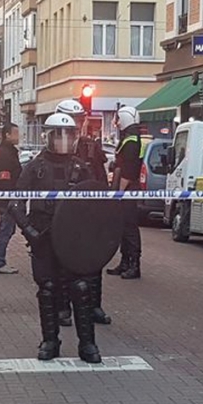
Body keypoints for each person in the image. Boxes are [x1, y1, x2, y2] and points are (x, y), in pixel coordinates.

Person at [8, 111, 102, 364]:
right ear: (47, 137)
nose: (62, 140)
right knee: (47, 290)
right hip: (43, 236)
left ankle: (88, 344)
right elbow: (16, 201)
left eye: (67, 134)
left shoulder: (81, 168)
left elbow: (94, 203)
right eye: (57, 135)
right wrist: (28, 230)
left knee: (80, 288)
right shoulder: (35, 168)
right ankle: (50, 340)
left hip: (72, 238)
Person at [72, 101, 112, 325]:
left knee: (95, 263)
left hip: (90, 212)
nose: (78, 125)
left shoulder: (90, 146)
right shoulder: (54, 151)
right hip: (67, 216)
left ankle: (94, 305)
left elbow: (99, 175)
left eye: (80, 119)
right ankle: (63, 308)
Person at [106, 106, 144, 280]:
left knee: (129, 228)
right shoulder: (129, 138)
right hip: (124, 188)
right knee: (123, 227)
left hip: (128, 189)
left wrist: (120, 192)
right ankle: (125, 262)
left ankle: (134, 265)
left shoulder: (132, 141)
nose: (116, 122)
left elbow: (129, 170)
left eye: (118, 119)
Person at [0, 122, 22, 274]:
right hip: (7, 198)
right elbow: (5, 178)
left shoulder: (10, 151)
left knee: (8, 229)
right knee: (5, 229)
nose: (18, 136)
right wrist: (10, 198)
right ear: (7, 135)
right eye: (15, 133)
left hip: (9, 197)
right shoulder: (4, 153)